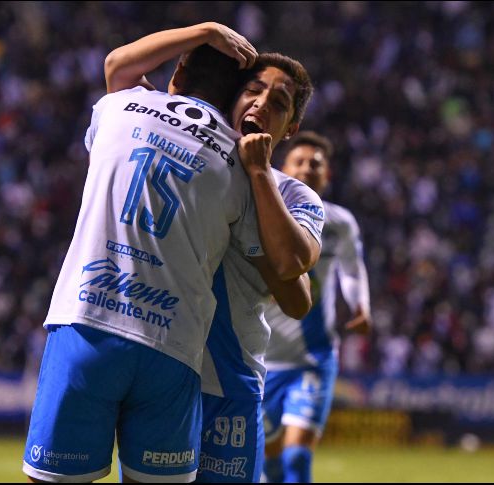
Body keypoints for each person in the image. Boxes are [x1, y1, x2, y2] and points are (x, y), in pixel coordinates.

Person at [23, 23, 301, 483]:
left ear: (175, 75)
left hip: (88, 322)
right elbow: (283, 268)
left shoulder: (119, 107)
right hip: (174, 348)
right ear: (235, 96)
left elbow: (118, 63)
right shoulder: (245, 165)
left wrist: (204, 31)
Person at [196, 54, 324, 483]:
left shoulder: (296, 196)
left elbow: (297, 294)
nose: (261, 102)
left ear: (290, 128)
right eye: (253, 89)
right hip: (164, 368)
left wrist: (257, 174)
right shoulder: (187, 159)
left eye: (279, 101)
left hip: (232, 378)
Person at [262, 131, 372, 483]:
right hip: (260, 362)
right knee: (267, 464)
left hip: (311, 361)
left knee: (296, 459)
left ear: (328, 176)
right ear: (282, 169)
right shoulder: (257, 214)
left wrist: (360, 305)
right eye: (300, 162)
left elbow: (353, 269)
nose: (308, 169)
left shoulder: (339, 223)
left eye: (316, 164)